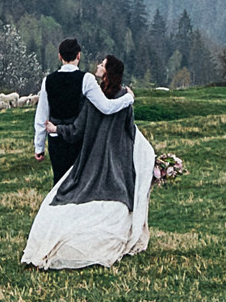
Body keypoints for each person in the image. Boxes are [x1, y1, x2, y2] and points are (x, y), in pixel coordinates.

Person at [21, 54, 154, 270]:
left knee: (68, 191)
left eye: (102, 65)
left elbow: (78, 129)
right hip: (115, 160)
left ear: (108, 72)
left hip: (93, 159)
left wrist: (57, 130)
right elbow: (130, 132)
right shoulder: (122, 98)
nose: (98, 66)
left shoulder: (93, 98)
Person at [33, 38, 86, 183]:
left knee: (60, 180)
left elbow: (42, 115)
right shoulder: (85, 79)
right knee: (79, 181)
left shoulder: (48, 80)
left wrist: (39, 146)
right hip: (78, 138)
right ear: (78, 55)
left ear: (60, 56)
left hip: (56, 138)